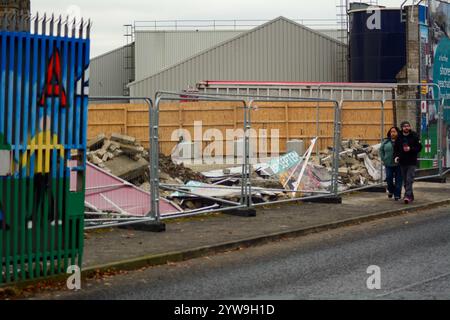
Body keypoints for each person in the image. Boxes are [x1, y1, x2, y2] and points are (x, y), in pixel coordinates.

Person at [394, 121, 423, 204]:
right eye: (404, 126)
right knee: (405, 180)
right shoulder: (399, 137)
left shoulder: (414, 136)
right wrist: (396, 156)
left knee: (409, 179)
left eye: (408, 126)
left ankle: (406, 196)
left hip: (412, 161)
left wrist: (411, 149)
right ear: (402, 128)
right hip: (402, 161)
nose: (406, 128)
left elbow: (419, 148)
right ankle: (410, 196)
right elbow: (396, 149)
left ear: (410, 127)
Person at [380, 127, 403, 201]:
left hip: (399, 164)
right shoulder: (386, 142)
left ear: (398, 132)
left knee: (398, 180)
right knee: (389, 178)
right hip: (388, 164)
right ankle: (391, 190)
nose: (393, 133)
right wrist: (384, 159)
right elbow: (381, 150)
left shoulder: (401, 141)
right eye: (391, 132)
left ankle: (397, 195)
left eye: (394, 131)